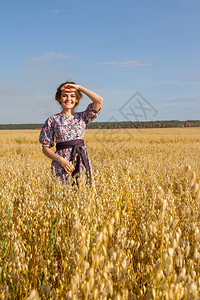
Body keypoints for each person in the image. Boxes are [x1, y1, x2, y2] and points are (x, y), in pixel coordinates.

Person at [39, 81, 103, 187]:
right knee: (62, 195)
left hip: (81, 160)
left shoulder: (82, 117)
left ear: (77, 99)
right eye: (64, 96)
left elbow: (99, 100)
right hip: (62, 165)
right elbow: (45, 148)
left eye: (72, 96)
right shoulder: (52, 120)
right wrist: (61, 160)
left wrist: (79, 87)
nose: (69, 99)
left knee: (83, 193)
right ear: (59, 99)